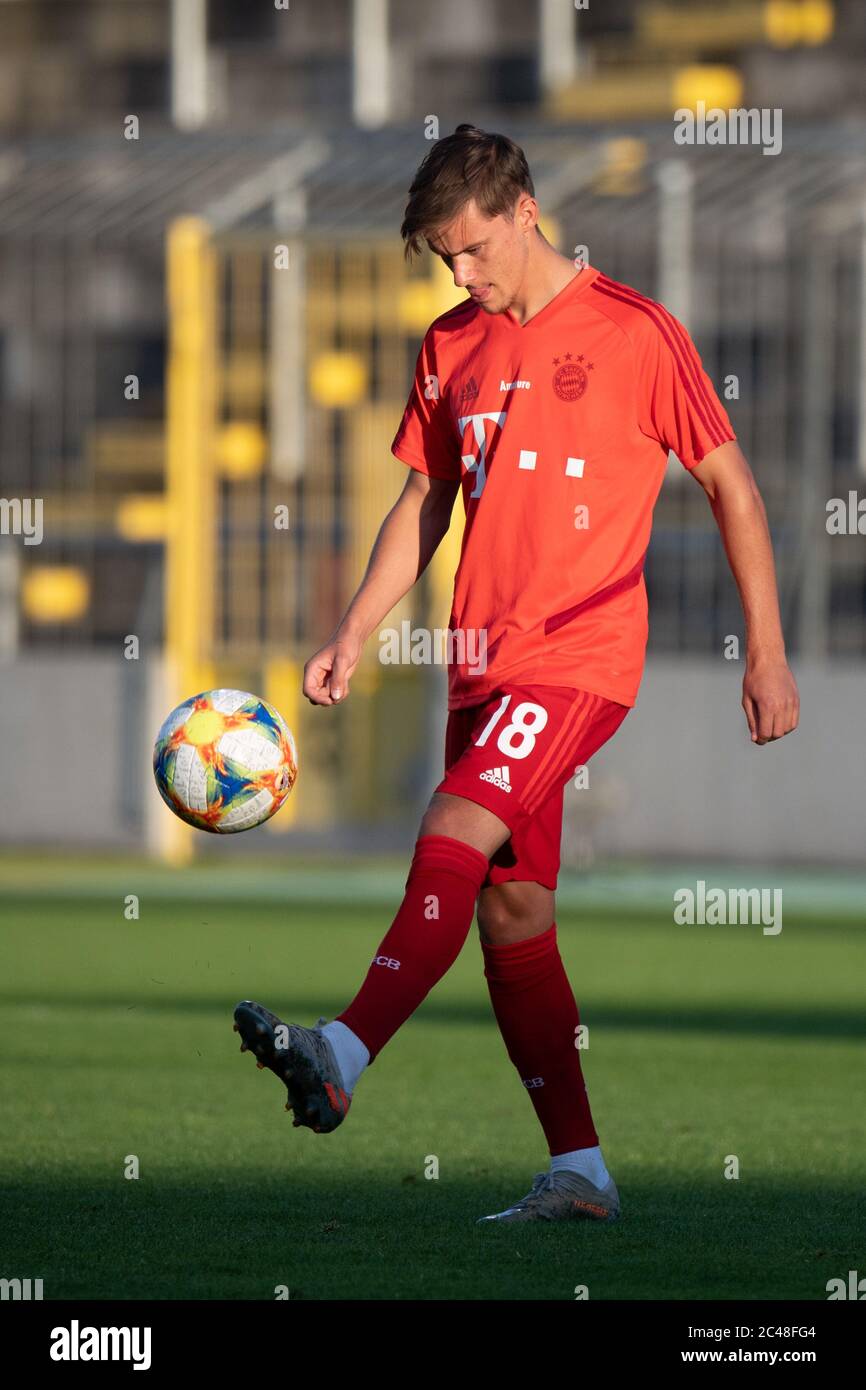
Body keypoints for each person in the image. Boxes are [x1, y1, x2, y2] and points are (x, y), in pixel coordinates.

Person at [234, 124, 799, 1224]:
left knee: (451, 828)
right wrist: (354, 628)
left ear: (523, 209)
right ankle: (578, 1170)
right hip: (477, 664)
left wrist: (764, 652)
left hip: (580, 655)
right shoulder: (450, 343)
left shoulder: (637, 333)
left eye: (471, 249)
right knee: (511, 914)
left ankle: (340, 1048)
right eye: (444, 259)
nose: (460, 274)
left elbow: (730, 486)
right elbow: (420, 503)